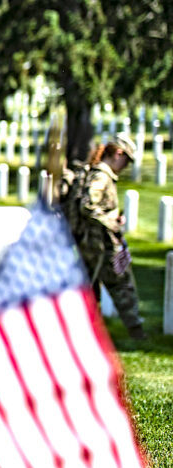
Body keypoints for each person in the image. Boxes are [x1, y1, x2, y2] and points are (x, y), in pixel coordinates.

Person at [73, 132, 146, 341]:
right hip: (102, 244)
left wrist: (113, 216)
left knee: (88, 290)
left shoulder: (100, 174)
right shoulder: (101, 176)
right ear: (118, 153)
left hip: (92, 243)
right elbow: (87, 205)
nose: (126, 166)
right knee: (123, 284)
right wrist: (111, 222)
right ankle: (137, 333)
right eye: (126, 160)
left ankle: (83, 332)